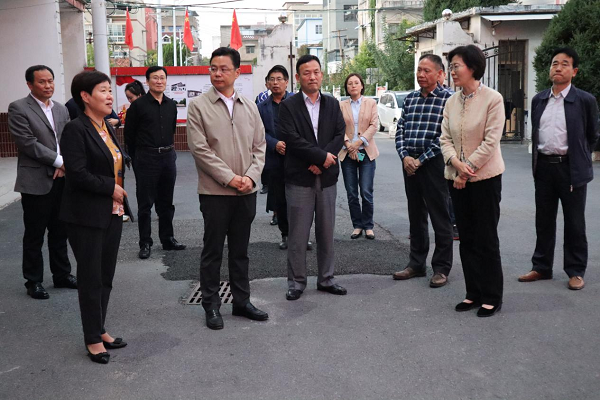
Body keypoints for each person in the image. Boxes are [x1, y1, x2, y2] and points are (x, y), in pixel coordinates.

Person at [187, 47, 269, 330]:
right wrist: (230, 178)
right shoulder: (198, 106)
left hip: (246, 191)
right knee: (212, 251)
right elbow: (200, 150)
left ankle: (242, 301)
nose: (217, 73)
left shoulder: (250, 106)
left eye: (223, 69)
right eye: (213, 68)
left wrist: (251, 178)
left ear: (237, 72)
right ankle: (211, 305)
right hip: (215, 193)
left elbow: (260, 146)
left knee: (240, 250)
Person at [60, 70, 132, 363]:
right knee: (91, 278)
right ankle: (92, 339)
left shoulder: (106, 127)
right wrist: (110, 187)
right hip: (86, 215)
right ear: (85, 97)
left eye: (109, 90)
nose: (109, 95)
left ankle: (99, 328)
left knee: (105, 277)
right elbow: (77, 174)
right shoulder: (75, 129)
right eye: (103, 90)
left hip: (112, 212)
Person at [518, 47, 599, 290]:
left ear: (574, 71)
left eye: (565, 64)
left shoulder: (584, 100)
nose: (558, 67)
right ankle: (541, 267)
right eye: (555, 63)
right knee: (543, 220)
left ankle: (575, 271)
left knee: (574, 222)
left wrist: (580, 157)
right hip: (544, 167)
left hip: (571, 169)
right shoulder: (539, 99)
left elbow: (592, 135)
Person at [440, 45, 505, 317]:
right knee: (466, 238)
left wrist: (466, 171)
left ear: (473, 67)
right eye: (451, 67)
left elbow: (491, 141)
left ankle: (492, 295)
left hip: (485, 179)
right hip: (456, 178)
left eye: (456, 66)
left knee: (485, 238)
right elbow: (444, 138)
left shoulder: (493, 99)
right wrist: (456, 165)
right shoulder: (451, 102)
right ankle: (473, 293)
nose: (452, 71)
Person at [278, 55, 346, 301]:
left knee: (326, 232)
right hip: (300, 176)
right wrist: (321, 157)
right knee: (298, 234)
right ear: (298, 77)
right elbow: (292, 139)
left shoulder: (332, 104)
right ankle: (296, 282)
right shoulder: (288, 106)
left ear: (322, 75)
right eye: (306, 73)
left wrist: (324, 161)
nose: (312, 76)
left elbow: (339, 134)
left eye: (316, 72)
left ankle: (326, 279)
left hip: (326, 177)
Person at [8, 65, 77, 300]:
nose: (48, 86)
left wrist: (64, 163)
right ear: (30, 84)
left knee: (60, 230)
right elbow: (27, 143)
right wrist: (60, 162)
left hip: (62, 179)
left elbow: (68, 138)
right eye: (42, 82)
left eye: (50, 81)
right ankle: (33, 280)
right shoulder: (18, 108)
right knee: (34, 233)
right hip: (36, 180)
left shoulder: (61, 108)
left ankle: (62, 274)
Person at [393, 55, 454, 288]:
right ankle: (416, 264)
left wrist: (421, 160)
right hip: (410, 163)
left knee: (440, 216)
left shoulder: (449, 99)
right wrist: (405, 156)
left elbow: (445, 136)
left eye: (426, 70)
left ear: (439, 74)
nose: (421, 74)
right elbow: (400, 129)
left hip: (434, 163)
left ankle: (441, 268)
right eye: (419, 70)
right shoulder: (411, 98)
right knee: (416, 215)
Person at [124, 66, 186, 259]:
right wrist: (136, 160)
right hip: (146, 158)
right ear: (147, 81)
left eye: (162, 78)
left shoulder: (171, 105)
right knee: (145, 204)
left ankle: (168, 239)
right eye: (155, 78)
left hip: (167, 157)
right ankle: (145, 243)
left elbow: (171, 130)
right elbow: (129, 136)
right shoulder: (138, 106)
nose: (159, 81)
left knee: (166, 202)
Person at [257, 65, 295, 248]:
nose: (275, 82)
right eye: (271, 79)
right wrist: (274, 144)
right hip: (273, 159)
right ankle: (285, 234)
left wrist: (291, 144)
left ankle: (301, 235)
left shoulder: (297, 103)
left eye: (279, 79)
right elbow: (258, 132)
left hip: (296, 158)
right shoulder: (261, 107)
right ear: (267, 84)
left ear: (286, 82)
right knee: (280, 200)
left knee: (299, 199)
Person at [338, 73, 379, 240]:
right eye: (350, 83)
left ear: (362, 86)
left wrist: (358, 143)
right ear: (346, 88)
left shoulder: (371, 103)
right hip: (347, 153)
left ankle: (368, 225)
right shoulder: (341, 105)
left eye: (356, 83)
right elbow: (337, 126)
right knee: (352, 193)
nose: (353, 85)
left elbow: (374, 125)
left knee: (366, 191)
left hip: (366, 152)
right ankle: (357, 225)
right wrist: (349, 145)